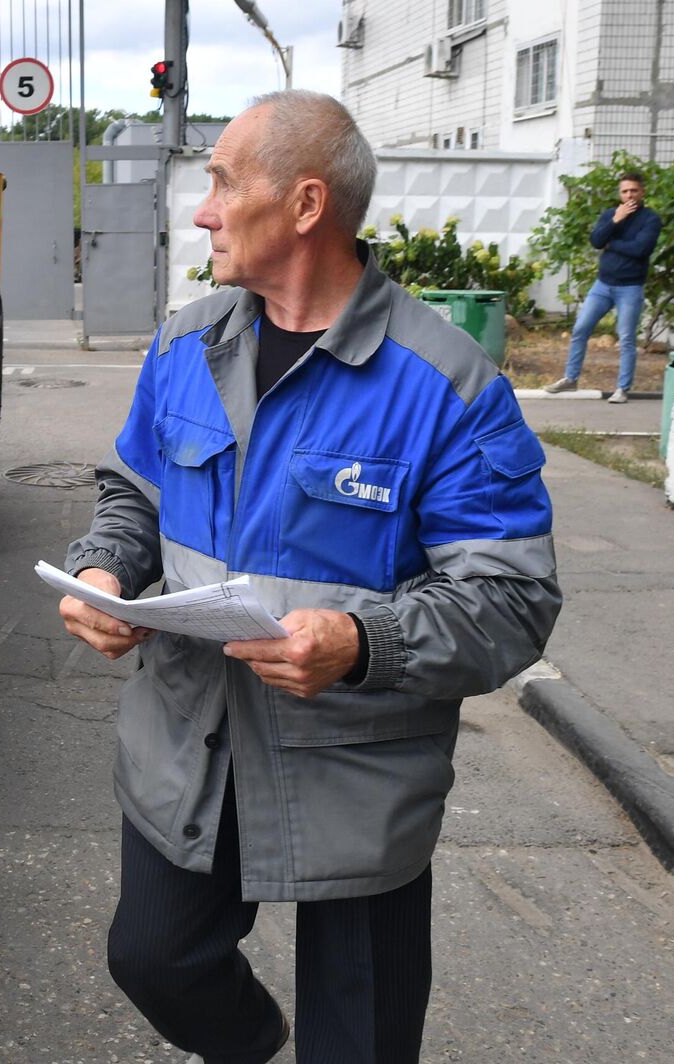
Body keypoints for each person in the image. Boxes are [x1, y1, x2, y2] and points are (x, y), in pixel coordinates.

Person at [57, 90, 561, 1064]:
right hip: (189, 740)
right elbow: (134, 491)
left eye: (223, 183)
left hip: (356, 766)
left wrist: (365, 643)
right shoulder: (184, 345)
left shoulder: (446, 386)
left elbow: (513, 598)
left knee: (363, 1041)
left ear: (304, 206)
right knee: (153, 958)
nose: (203, 210)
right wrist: (104, 568)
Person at [546, 171, 661, 402]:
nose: (629, 195)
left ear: (642, 192)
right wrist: (615, 221)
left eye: (634, 190)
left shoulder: (650, 219)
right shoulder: (611, 214)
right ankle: (570, 378)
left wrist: (613, 243)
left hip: (630, 287)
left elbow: (641, 249)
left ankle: (622, 388)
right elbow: (596, 241)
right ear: (620, 193)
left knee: (626, 338)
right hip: (602, 285)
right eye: (625, 191)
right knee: (580, 329)